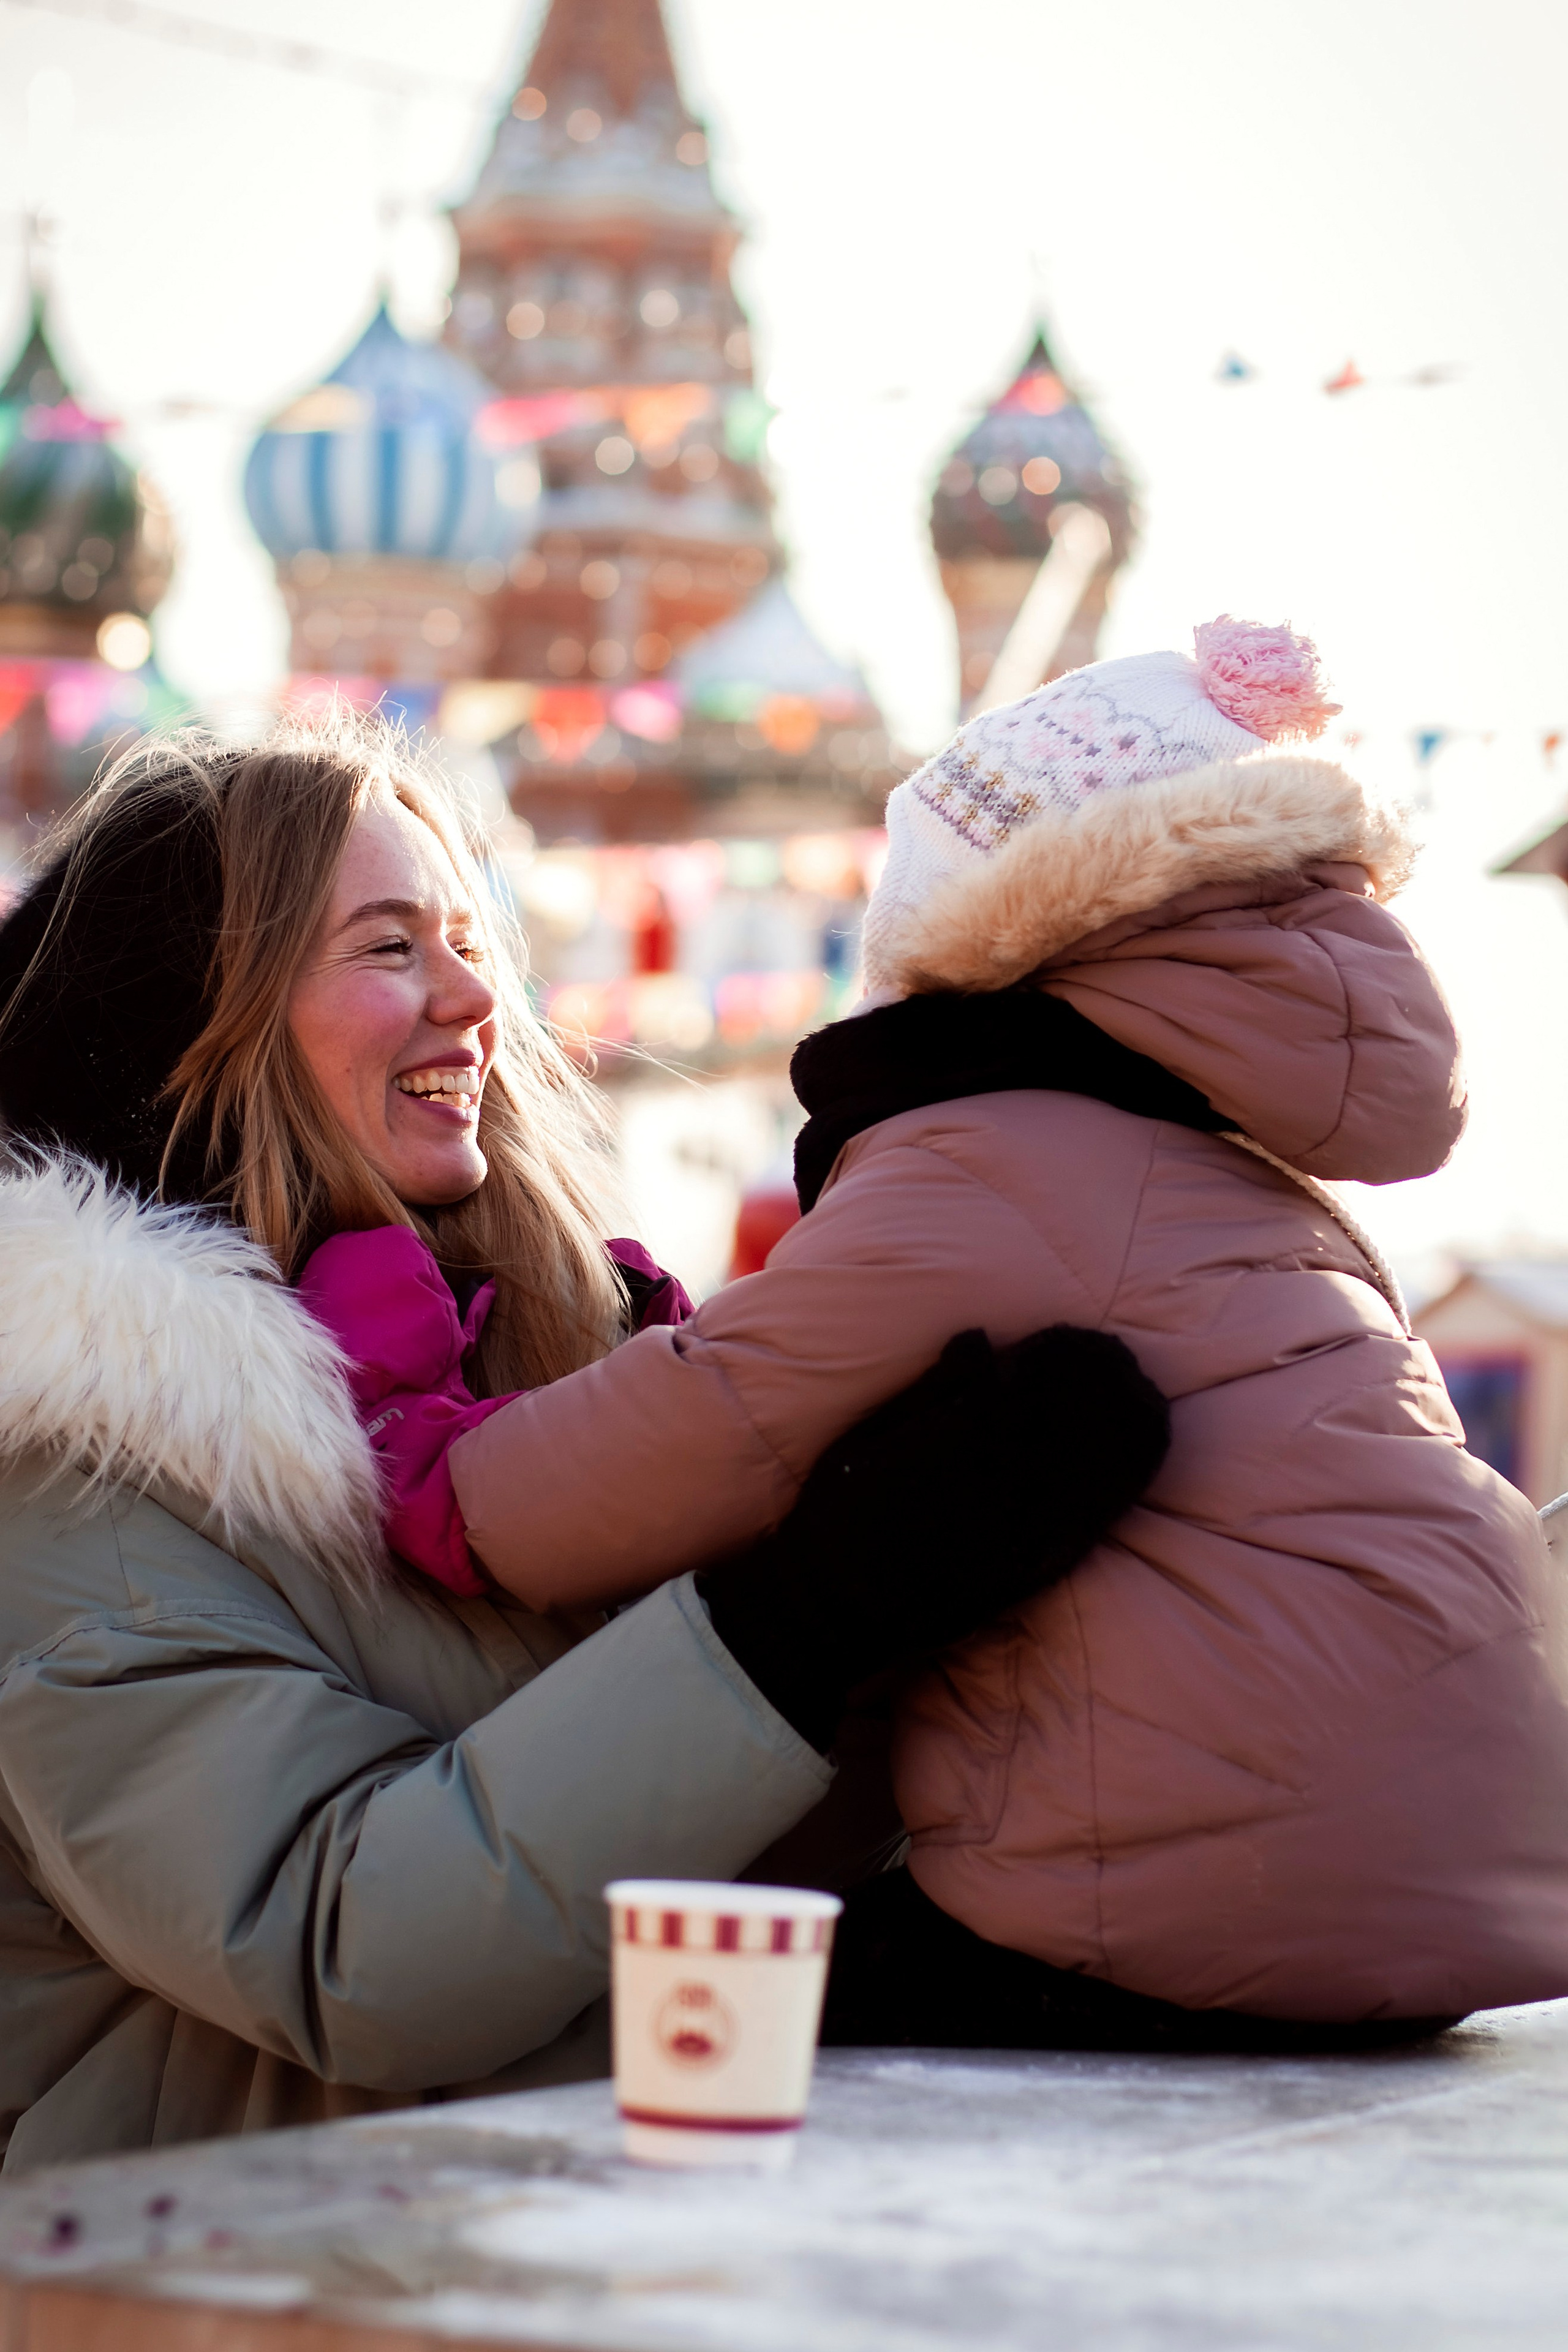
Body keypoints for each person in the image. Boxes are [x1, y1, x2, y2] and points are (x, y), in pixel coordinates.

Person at [336, 617, 1568, 2043]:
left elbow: (690, 1433)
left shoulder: (992, 1157)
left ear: (984, 929)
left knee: (636, 2011)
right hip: (1460, 1892)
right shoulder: (1248, 1184)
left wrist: (439, 1468)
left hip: (1184, 1913)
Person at [0, 714, 1166, 2168]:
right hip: (220, 2283)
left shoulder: (528, 1392)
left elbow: (691, 1857)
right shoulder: (80, 1469)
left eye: (467, 939)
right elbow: (345, 1946)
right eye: (384, 948)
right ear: (187, 1018)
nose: (467, 999)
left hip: (569, 2239)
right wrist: (802, 1614)